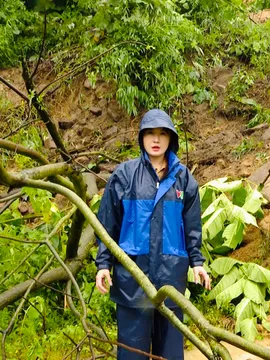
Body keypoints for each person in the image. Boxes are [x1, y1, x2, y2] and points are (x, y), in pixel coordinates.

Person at [94, 109, 211, 360]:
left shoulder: (183, 179)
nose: (155, 140)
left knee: (169, 354)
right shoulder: (124, 176)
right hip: (132, 281)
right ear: (141, 138)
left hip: (171, 281)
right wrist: (103, 265)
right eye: (150, 134)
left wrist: (198, 263)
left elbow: (192, 227)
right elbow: (107, 225)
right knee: (132, 354)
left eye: (162, 134)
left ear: (171, 139)